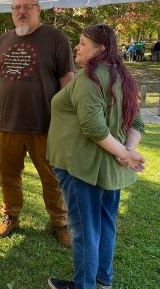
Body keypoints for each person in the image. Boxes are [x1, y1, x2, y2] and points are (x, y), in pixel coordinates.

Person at [46, 24, 145, 289]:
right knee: (104, 225)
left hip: (82, 168)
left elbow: (94, 128)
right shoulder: (122, 76)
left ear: (100, 49)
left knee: (85, 231)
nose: (77, 47)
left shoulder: (89, 78)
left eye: (82, 43)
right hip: (110, 169)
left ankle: (85, 286)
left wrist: (126, 153)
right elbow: (137, 125)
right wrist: (127, 152)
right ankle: (102, 280)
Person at [0, 0, 75, 246]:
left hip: (45, 125)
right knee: (8, 175)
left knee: (52, 177)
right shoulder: (2, 41)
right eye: (16, 8)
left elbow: (68, 81)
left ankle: (60, 222)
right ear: (12, 12)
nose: (21, 12)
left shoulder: (56, 38)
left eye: (27, 7)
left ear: (38, 9)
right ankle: (10, 216)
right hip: (6, 125)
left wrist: (68, 119)